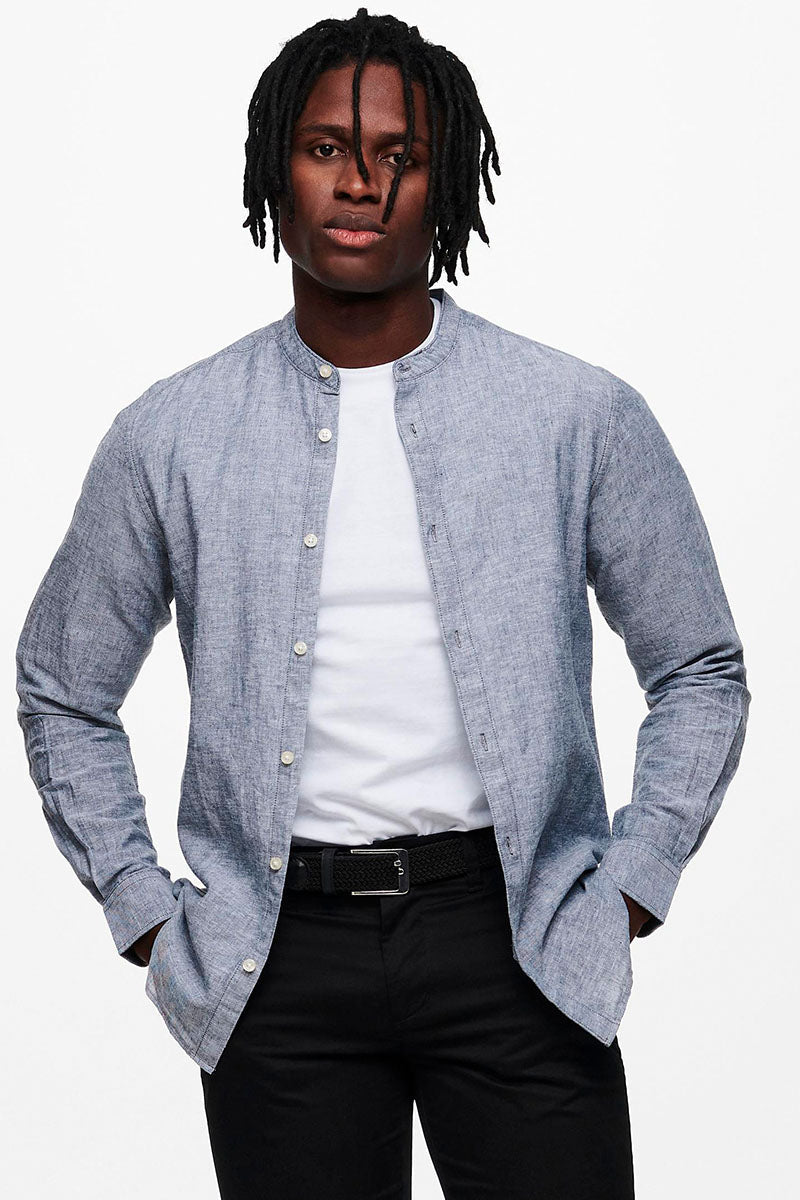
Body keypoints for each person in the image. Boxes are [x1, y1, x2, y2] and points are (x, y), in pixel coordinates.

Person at [15, 8, 750, 1199]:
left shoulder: (573, 415)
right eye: (325, 148)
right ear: (274, 169)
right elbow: (62, 687)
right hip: (275, 962)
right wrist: (145, 912)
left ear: (443, 182)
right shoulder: (171, 434)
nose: (359, 184)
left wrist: (627, 886)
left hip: (518, 942)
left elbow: (697, 667)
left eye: (397, 155)